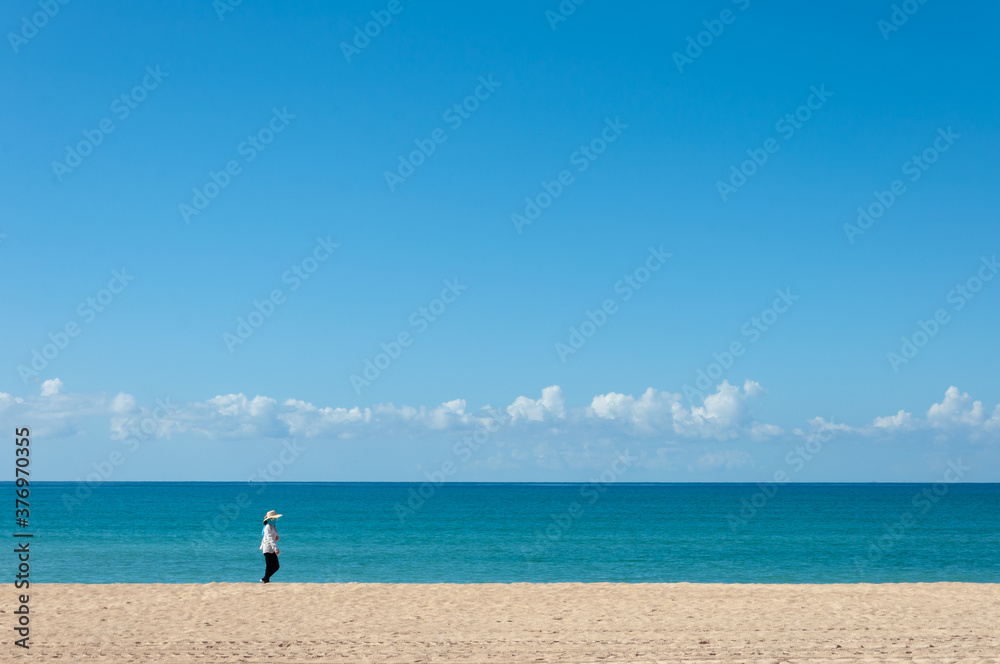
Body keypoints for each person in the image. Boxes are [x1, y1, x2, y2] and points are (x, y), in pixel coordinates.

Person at [259, 510, 282, 583]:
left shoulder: (273, 526)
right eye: (274, 518)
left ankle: (265, 579)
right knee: (269, 566)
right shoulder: (267, 527)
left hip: (272, 549)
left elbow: (273, 538)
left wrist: (276, 538)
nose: (275, 519)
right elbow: (270, 539)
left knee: (276, 566)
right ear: (271, 519)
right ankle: (265, 579)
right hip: (268, 549)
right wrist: (276, 549)